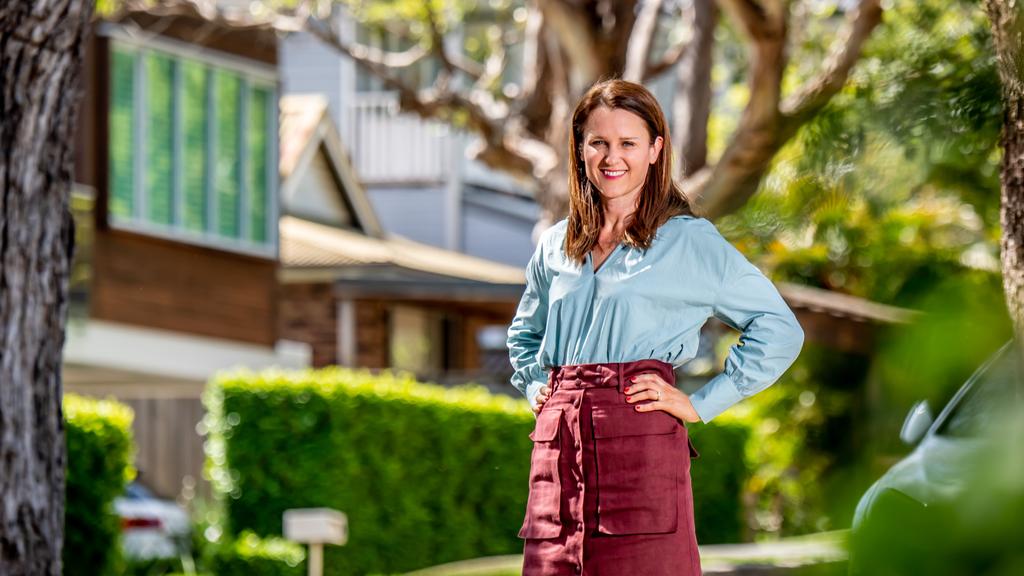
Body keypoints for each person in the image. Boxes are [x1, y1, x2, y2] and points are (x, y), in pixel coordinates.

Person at [506, 79, 805, 576]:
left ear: (655, 150)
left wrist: (699, 402)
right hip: (557, 452)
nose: (611, 157)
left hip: (639, 441)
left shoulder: (690, 242)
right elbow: (523, 336)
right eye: (598, 142)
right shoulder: (556, 244)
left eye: (628, 143)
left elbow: (778, 327)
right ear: (580, 148)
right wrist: (538, 385)